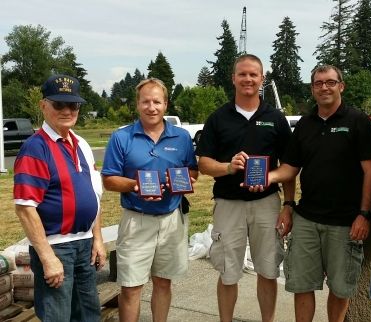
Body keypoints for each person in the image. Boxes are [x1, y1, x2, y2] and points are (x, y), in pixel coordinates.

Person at [249, 64, 371, 322]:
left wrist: (364, 214)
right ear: (312, 89)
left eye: (330, 82)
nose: (324, 87)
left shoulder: (357, 121)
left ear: (341, 86)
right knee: (302, 284)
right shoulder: (305, 125)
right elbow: (290, 168)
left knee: (340, 289)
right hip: (307, 219)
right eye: (319, 83)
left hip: (345, 222)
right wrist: (268, 177)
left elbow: (370, 172)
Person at [196, 54, 295, 322]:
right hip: (229, 205)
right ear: (233, 78)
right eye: (243, 74)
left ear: (262, 79)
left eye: (254, 74)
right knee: (228, 271)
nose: (248, 79)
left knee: (267, 270)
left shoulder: (275, 118)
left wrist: (282, 196)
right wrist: (228, 167)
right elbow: (204, 163)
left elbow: (289, 167)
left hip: (266, 204)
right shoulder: (218, 118)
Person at [101, 78, 198, 322]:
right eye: (146, 102)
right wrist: (136, 185)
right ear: (137, 104)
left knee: (163, 283)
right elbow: (109, 179)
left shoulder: (182, 137)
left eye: (157, 101)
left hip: (171, 219)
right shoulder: (121, 137)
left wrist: (184, 181)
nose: (151, 107)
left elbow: (192, 171)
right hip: (137, 220)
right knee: (131, 287)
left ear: (166, 104)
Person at [13, 74, 105, 321]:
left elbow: (95, 195)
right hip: (56, 247)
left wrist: (97, 239)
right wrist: (47, 258)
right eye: (59, 104)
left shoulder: (82, 144)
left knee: (88, 314)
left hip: (85, 245)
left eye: (73, 104)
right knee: (58, 316)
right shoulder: (36, 147)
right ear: (43, 105)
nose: (67, 110)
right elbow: (25, 208)